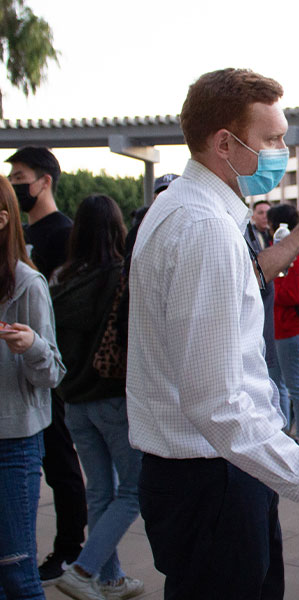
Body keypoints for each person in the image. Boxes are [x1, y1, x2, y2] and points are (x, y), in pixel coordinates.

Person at [127, 68, 299, 600]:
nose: (283, 151)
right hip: (214, 478)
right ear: (224, 143)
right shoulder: (203, 227)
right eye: (271, 139)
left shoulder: (192, 211)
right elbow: (216, 403)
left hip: (211, 472)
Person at [50, 194, 145, 600]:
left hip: (73, 401)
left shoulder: (60, 280)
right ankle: (84, 569)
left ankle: (111, 579)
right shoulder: (121, 277)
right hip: (112, 398)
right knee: (134, 491)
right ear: (117, 230)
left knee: (100, 491)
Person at [6, 146, 88, 585]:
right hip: (18, 373)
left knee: (60, 463)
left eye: (22, 177)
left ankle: (71, 545)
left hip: (50, 372)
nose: (17, 185)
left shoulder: (64, 234)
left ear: (45, 181)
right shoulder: (20, 234)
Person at [0, 175, 66, 599]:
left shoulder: (27, 283)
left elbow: (52, 373)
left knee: (16, 571)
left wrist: (32, 346)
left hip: (13, 445)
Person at [267, 202, 299, 454]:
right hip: (279, 326)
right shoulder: (289, 251)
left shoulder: (292, 253)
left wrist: (266, 288)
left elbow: (292, 293)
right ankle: (283, 430)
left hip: (289, 327)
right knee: (278, 384)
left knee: (295, 383)